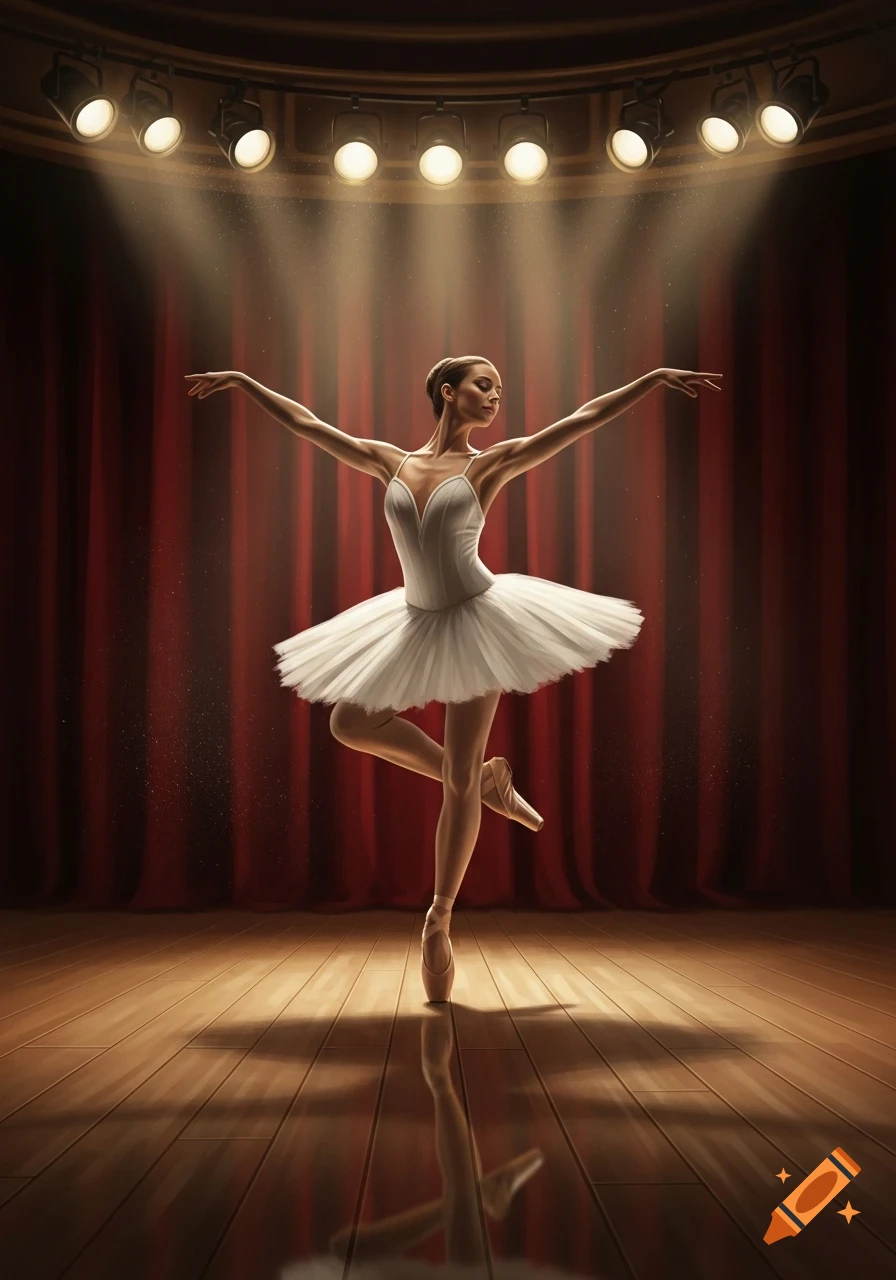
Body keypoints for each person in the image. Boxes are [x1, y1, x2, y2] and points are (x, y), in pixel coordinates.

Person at [185, 355, 721, 1001]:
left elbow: (583, 419)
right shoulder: (388, 460)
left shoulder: (489, 465)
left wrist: (652, 379)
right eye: (484, 385)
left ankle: (438, 919)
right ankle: (488, 785)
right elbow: (307, 424)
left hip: (479, 617)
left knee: (459, 774)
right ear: (448, 390)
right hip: (411, 616)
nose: (496, 398)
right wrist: (246, 383)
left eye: (499, 388)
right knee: (350, 721)